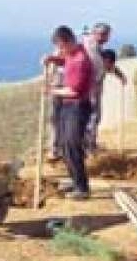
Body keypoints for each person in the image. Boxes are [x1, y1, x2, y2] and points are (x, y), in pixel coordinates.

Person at [43, 26, 93, 200]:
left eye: (61, 47)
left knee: (72, 145)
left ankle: (82, 188)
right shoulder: (72, 54)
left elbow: (73, 91)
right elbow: (65, 61)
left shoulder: (81, 60)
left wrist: (51, 91)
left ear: (69, 41)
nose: (60, 50)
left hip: (78, 107)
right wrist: (53, 59)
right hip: (67, 106)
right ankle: (74, 179)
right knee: (64, 145)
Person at [83, 23, 126, 152]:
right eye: (102, 34)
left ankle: (90, 144)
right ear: (94, 33)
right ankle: (88, 146)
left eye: (106, 35)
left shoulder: (97, 47)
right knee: (92, 117)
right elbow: (101, 65)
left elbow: (107, 64)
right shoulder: (89, 47)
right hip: (88, 88)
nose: (105, 38)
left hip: (93, 87)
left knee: (94, 117)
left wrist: (119, 74)